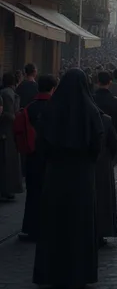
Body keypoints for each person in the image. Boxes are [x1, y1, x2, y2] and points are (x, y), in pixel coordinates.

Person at [33, 69, 104, 289]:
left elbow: (41, 144)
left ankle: (53, 273)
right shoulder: (91, 111)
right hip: (82, 176)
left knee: (55, 223)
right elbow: (96, 145)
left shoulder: (51, 110)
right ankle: (79, 274)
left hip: (56, 175)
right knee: (79, 224)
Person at [20, 75, 56, 242]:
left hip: (32, 156)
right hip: (51, 158)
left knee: (32, 193)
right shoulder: (56, 107)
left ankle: (30, 227)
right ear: (53, 88)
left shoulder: (29, 107)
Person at [95, 110, 117, 247]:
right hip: (103, 165)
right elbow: (114, 146)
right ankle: (101, 232)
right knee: (102, 199)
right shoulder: (105, 120)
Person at [0, 72, 22, 201]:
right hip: (7, 132)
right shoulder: (9, 94)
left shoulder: (6, 93)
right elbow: (9, 114)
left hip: (7, 132)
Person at [94, 70, 117, 134]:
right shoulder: (116, 101)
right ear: (109, 82)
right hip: (111, 134)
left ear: (98, 82)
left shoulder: (91, 100)